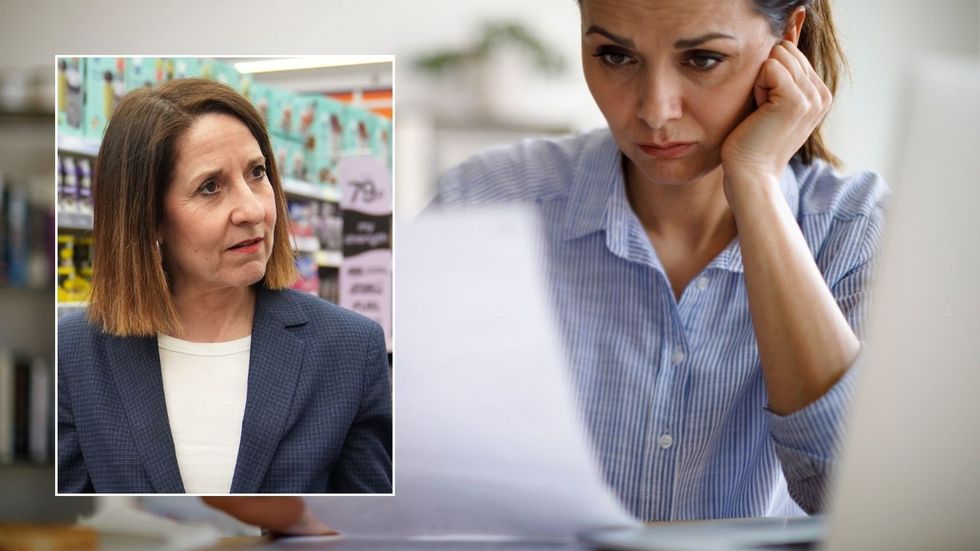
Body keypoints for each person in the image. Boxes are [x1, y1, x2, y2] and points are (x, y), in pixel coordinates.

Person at [206, 0, 888, 532]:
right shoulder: (484, 201)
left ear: (788, 38)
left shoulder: (854, 229)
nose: (655, 110)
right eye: (614, 55)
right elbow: (379, 463)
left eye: (703, 59)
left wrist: (757, 184)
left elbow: (852, 496)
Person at [57, 78, 392, 494]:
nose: (252, 209)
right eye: (210, 187)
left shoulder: (350, 349)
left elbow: (368, 522)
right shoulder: (73, 356)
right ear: (149, 218)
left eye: (257, 173)